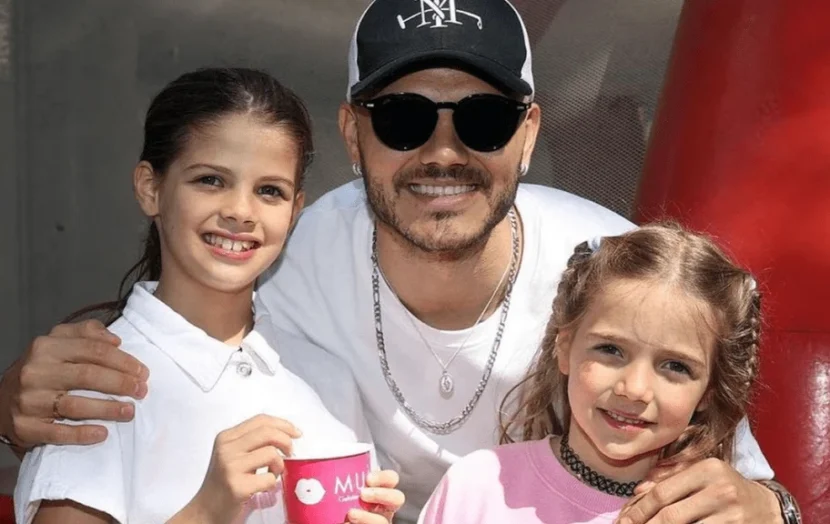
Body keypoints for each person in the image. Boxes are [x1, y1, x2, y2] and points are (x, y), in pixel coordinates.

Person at [0, 1, 795, 522]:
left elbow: (743, 481)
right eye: (403, 117)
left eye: (483, 119)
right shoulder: (287, 259)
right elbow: (175, 332)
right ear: (352, 135)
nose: (443, 151)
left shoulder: (615, 273)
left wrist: (772, 510)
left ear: (527, 135)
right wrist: (15, 403)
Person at [12, 68, 402, 524]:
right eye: (211, 180)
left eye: (269, 191)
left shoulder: (327, 380)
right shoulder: (95, 385)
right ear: (150, 188)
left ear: (295, 209)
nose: (240, 211)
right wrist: (206, 511)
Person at [417, 223, 770, 523]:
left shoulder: (709, 514)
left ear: (708, 391)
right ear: (565, 348)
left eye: (675, 366)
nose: (634, 389)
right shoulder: (477, 485)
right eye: (611, 350)